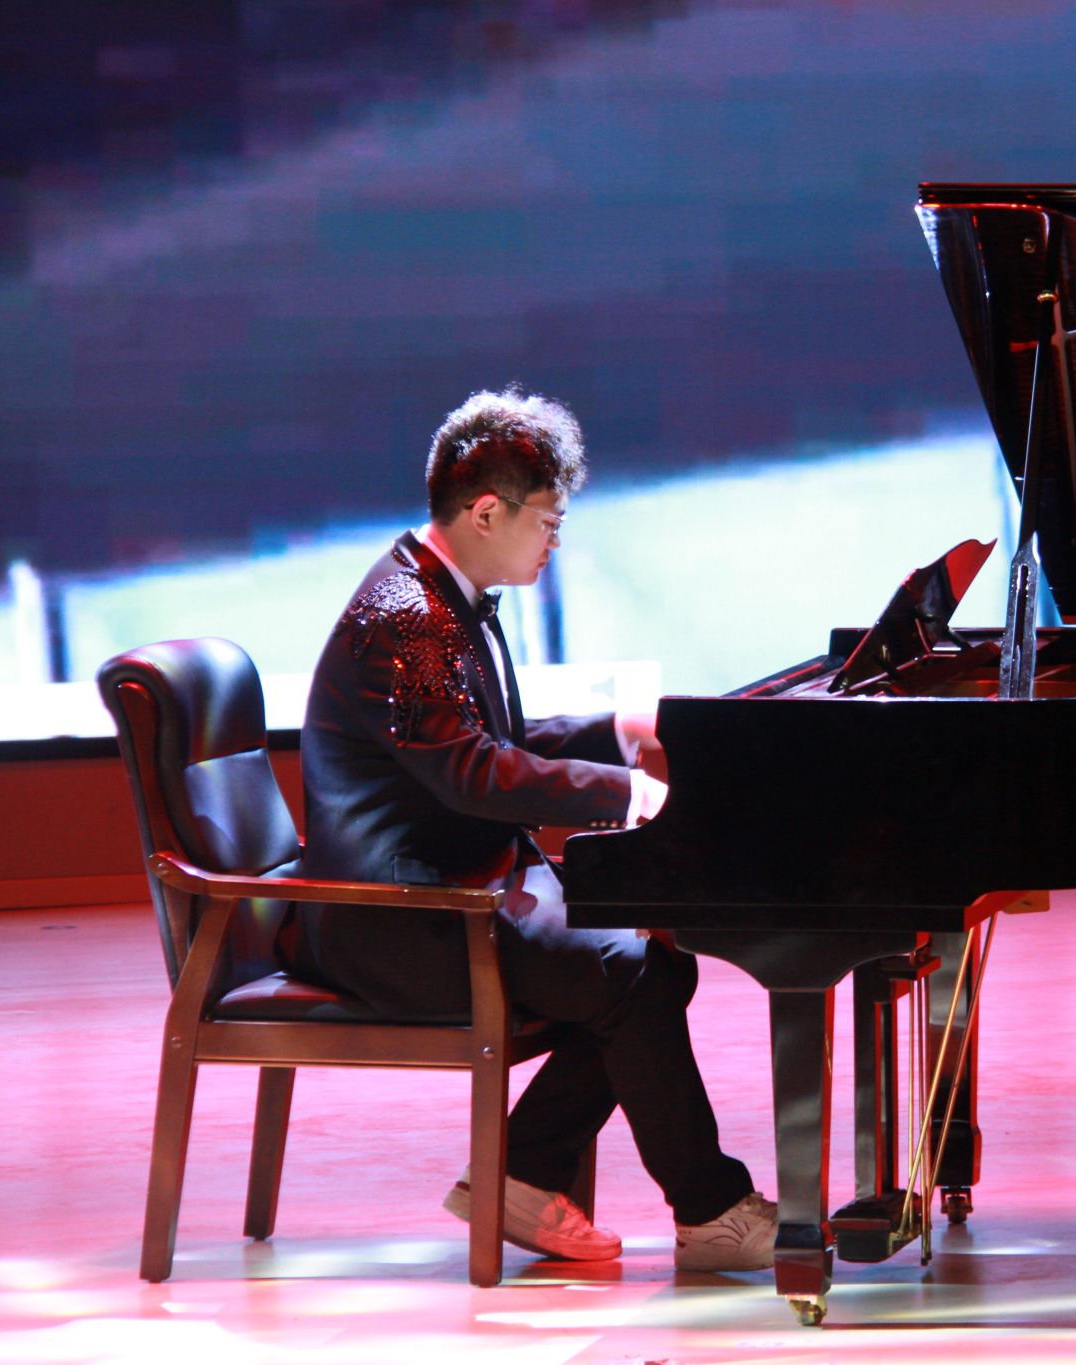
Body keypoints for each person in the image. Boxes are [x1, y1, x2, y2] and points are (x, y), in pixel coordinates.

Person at [290, 386, 774, 1270]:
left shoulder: (440, 594)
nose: (556, 541)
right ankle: (711, 1211)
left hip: (452, 885)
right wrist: (628, 795)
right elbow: (473, 774)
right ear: (486, 513)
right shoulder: (407, 617)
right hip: (399, 918)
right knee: (632, 973)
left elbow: (488, 743)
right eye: (549, 521)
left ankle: (520, 1173)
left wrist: (617, 731)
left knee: (655, 961)